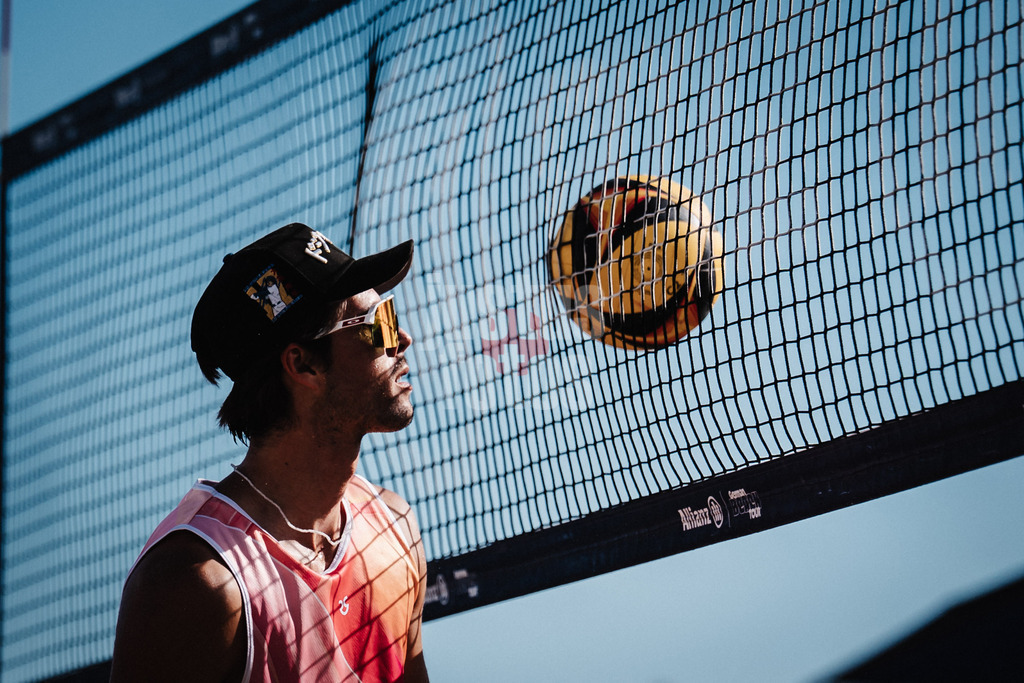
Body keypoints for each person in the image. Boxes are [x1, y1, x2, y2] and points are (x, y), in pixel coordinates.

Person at [111, 223, 429, 682]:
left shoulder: (395, 529)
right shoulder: (196, 582)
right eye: (376, 323)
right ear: (303, 365)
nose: (401, 339)